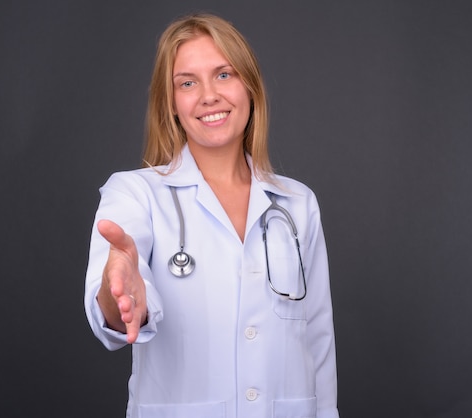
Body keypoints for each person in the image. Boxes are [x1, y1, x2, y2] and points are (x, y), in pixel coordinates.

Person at [84, 13, 339, 418]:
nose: (208, 95)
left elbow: (318, 339)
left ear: (250, 87)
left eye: (224, 75)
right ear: (170, 104)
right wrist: (123, 294)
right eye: (187, 83)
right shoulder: (134, 193)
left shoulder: (297, 203)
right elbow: (112, 312)